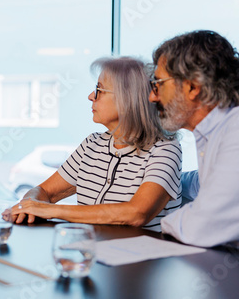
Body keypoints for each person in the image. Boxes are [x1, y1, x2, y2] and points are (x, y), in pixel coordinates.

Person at [149, 30, 239, 259]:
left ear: (193, 86)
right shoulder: (218, 130)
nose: (153, 97)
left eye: (158, 83)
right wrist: (156, 182)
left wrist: (149, 216)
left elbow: (202, 227)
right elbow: (203, 184)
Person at [10, 57, 182, 231]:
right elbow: (45, 192)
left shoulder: (165, 149)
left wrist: (50, 210)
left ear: (127, 100)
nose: (91, 96)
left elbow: (137, 213)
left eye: (99, 89)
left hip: (142, 255)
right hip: (93, 251)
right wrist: (28, 205)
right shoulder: (92, 144)